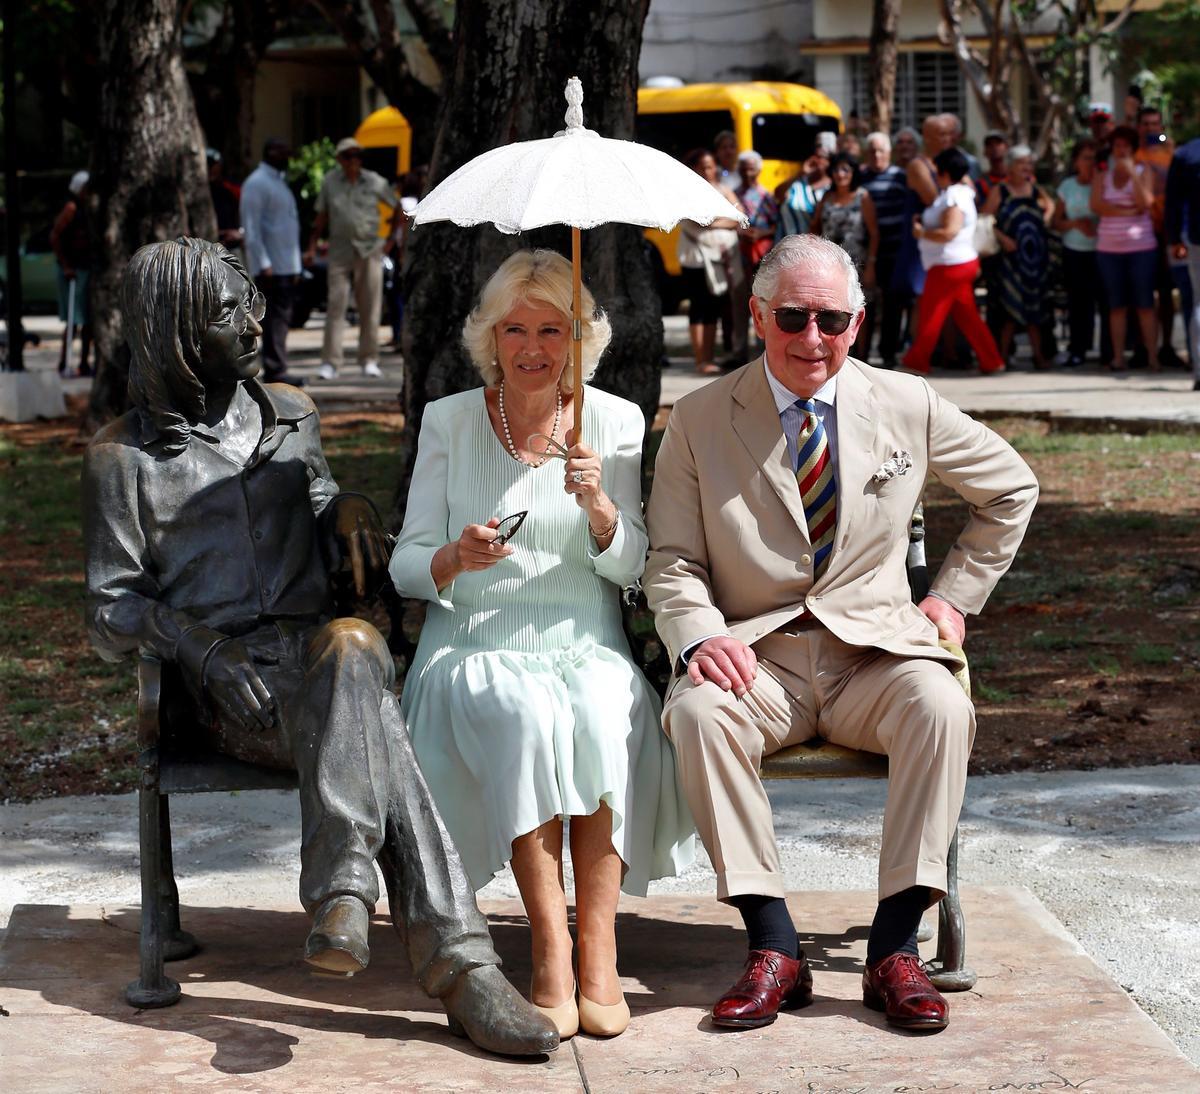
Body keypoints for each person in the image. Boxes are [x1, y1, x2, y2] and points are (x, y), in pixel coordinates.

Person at [82, 237, 559, 1059]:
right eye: (232, 311)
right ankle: (460, 968)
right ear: (182, 330)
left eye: (253, 300)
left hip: (321, 662)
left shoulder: (291, 415)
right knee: (375, 711)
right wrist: (205, 652)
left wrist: (349, 511)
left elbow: (323, 497)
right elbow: (110, 608)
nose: (258, 319)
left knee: (349, 644)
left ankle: (345, 889)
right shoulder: (122, 459)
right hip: (228, 696)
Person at [644, 233, 1037, 1034]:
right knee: (695, 714)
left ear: (857, 323)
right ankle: (773, 946)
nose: (811, 338)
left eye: (830, 319)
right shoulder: (699, 418)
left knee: (942, 706)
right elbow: (672, 561)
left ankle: (895, 950)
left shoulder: (907, 402)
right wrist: (697, 634)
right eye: (792, 316)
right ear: (758, 315)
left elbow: (1012, 488)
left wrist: (956, 598)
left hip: (877, 657)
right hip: (760, 661)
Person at [390, 249, 694, 1041]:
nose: (532, 347)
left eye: (551, 329)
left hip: (585, 639)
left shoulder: (616, 422)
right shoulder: (451, 420)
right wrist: (455, 557)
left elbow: (634, 568)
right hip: (474, 644)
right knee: (525, 716)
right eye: (514, 329)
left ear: (578, 339)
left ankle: (601, 947)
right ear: (490, 338)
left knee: (608, 709)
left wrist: (600, 508)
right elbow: (404, 566)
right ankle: (552, 949)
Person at [903, 148, 1006, 374]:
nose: (935, 176)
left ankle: (917, 360)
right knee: (967, 317)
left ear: (946, 173)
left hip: (950, 265)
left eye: (938, 172)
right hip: (954, 264)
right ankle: (992, 360)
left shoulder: (954, 196)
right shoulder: (957, 193)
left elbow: (949, 231)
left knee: (931, 314)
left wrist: (921, 233)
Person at [304, 136, 400, 380]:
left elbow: (398, 207)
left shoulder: (374, 181)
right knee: (336, 305)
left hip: (369, 250)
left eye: (357, 155)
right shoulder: (330, 182)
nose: (353, 160)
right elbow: (321, 217)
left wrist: (389, 242)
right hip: (340, 249)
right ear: (339, 159)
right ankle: (331, 362)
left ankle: (369, 359)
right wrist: (312, 247)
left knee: (371, 306)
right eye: (348, 156)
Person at [980, 145, 1056, 370]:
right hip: (1010, 261)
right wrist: (1004, 238)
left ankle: (1039, 357)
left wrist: (1042, 222)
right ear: (1010, 167)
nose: (1027, 168)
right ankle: (1001, 358)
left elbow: (1050, 206)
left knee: (1035, 310)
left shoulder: (1034, 189)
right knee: (1010, 311)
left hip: (1033, 260)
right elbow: (985, 220)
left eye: (1029, 164)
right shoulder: (1000, 190)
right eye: (1022, 163)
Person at [1091, 125, 1158, 371]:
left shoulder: (1144, 170)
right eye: (1117, 146)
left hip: (1141, 247)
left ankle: (1152, 357)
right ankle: (1118, 357)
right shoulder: (1102, 174)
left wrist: (1132, 174)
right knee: (1116, 306)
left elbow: (1146, 203)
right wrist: (1128, 210)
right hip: (1109, 249)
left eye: (1125, 147)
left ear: (1133, 149)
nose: (1120, 150)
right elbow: (1097, 205)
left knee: (1145, 304)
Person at [240, 137, 304, 385]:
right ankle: (276, 369)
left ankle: (278, 366)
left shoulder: (279, 182)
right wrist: (263, 263)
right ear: (271, 153)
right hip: (272, 267)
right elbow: (252, 229)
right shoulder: (256, 184)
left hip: (286, 264)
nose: (288, 157)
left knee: (283, 319)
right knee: (274, 319)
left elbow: (288, 227)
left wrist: (295, 265)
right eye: (283, 152)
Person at [678, 147, 746, 374]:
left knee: (711, 308)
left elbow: (740, 216)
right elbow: (700, 219)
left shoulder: (724, 189)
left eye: (711, 165)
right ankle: (701, 359)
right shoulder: (687, 190)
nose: (708, 170)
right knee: (699, 307)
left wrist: (717, 222)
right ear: (694, 168)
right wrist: (721, 219)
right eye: (704, 166)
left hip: (718, 258)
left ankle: (708, 357)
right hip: (695, 258)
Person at [812, 152, 878, 357]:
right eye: (836, 169)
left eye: (845, 170)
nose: (840, 174)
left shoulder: (862, 196)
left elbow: (875, 233)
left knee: (857, 308)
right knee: (831, 309)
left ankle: (861, 355)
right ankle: (835, 353)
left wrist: (872, 265)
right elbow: (814, 226)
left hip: (857, 263)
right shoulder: (827, 197)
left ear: (853, 173)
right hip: (828, 265)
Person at [1053, 139, 1106, 367]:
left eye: (1093, 158)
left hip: (1102, 251)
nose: (1090, 163)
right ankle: (1078, 349)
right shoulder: (1067, 186)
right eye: (1085, 158)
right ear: (1076, 162)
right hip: (1074, 252)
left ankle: (1108, 351)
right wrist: (1075, 224)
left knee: (1104, 302)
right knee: (1078, 303)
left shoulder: (1104, 183)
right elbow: (1057, 221)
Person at [860, 132, 908, 367]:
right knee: (865, 304)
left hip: (894, 250)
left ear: (889, 153)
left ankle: (888, 353)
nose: (877, 155)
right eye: (872, 151)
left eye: (881, 151)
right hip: (866, 250)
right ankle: (863, 354)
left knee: (892, 303)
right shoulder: (860, 177)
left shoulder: (901, 177)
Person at [1165, 131, 1200, 389]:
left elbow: (1173, 202)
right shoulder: (1185, 154)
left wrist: (1174, 238)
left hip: (1197, 237)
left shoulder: (1186, 153)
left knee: (1199, 303)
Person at [49, 170, 92, 376]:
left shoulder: (89, 208)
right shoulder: (71, 208)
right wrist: (66, 265)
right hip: (71, 271)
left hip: (86, 267)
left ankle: (84, 363)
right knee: (73, 319)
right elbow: (55, 236)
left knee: (88, 321)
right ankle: (63, 363)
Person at [776, 133, 834, 238]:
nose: (817, 160)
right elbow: (778, 194)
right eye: (815, 156)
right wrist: (800, 174)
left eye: (822, 157)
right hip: (785, 245)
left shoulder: (834, 188)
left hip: (811, 249)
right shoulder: (797, 183)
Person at [734, 150, 779, 282]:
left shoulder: (766, 195)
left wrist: (761, 233)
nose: (747, 173)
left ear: (759, 171)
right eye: (744, 169)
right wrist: (742, 233)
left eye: (751, 169)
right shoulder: (733, 195)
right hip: (739, 250)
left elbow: (776, 225)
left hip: (763, 250)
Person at [206, 149, 243, 251]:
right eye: (207, 164)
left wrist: (240, 233)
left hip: (230, 248)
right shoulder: (193, 193)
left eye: (213, 164)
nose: (210, 168)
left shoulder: (232, 190)